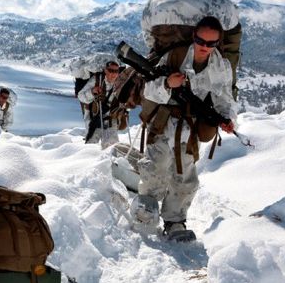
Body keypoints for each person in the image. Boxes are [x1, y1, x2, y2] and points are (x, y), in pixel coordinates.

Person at [130, 16, 238, 242]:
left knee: (185, 175)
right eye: (201, 41)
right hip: (163, 121)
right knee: (154, 167)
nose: (205, 47)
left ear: (218, 43)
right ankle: (145, 212)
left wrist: (226, 118)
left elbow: (224, 97)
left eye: (211, 43)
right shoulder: (174, 56)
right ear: (194, 36)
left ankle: (175, 220)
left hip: (190, 127)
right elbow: (149, 91)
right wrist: (168, 84)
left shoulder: (220, 66)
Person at [78, 60, 121, 147]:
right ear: (105, 70)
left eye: (116, 71)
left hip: (111, 121)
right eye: (111, 70)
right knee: (90, 149)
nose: (114, 74)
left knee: (111, 149)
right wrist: (92, 91)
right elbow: (81, 96)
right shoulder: (96, 80)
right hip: (94, 120)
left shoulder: (120, 83)